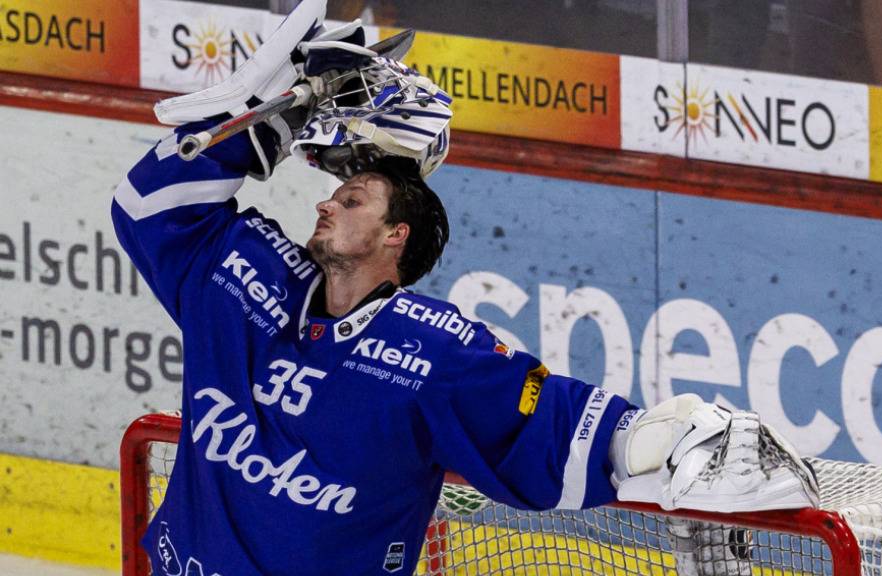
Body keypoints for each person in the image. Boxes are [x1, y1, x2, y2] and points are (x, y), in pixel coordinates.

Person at [114, 3, 818, 575]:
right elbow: (145, 206)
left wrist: (669, 439)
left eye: (353, 199)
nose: (326, 205)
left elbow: (560, 431)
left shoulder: (432, 352)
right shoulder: (245, 284)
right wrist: (258, 122)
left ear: (398, 238)